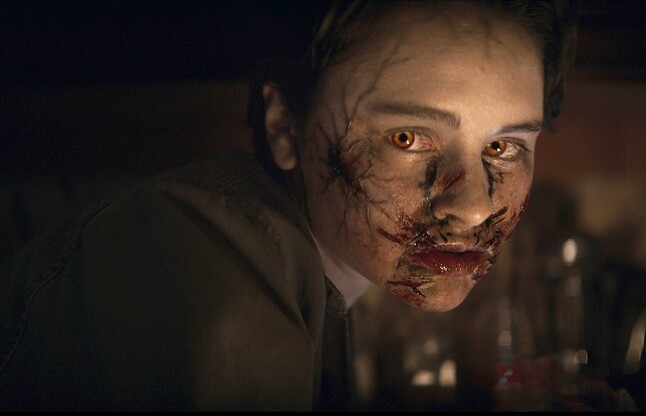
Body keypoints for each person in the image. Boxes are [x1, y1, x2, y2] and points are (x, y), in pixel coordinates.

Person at [0, 0, 597, 411]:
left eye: (503, 146)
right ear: (285, 126)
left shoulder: (319, 272)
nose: (471, 207)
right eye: (407, 138)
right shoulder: (214, 255)